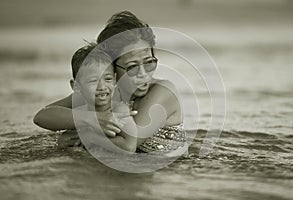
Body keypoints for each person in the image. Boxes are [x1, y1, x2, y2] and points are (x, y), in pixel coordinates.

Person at [34, 11, 187, 155]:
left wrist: (85, 134)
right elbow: (42, 116)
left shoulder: (163, 91)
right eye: (132, 67)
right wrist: (90, 118)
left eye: (149, 62)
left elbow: (130, 143)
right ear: (111, 68)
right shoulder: (105, 92)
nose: (143, 73)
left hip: (170, 171)